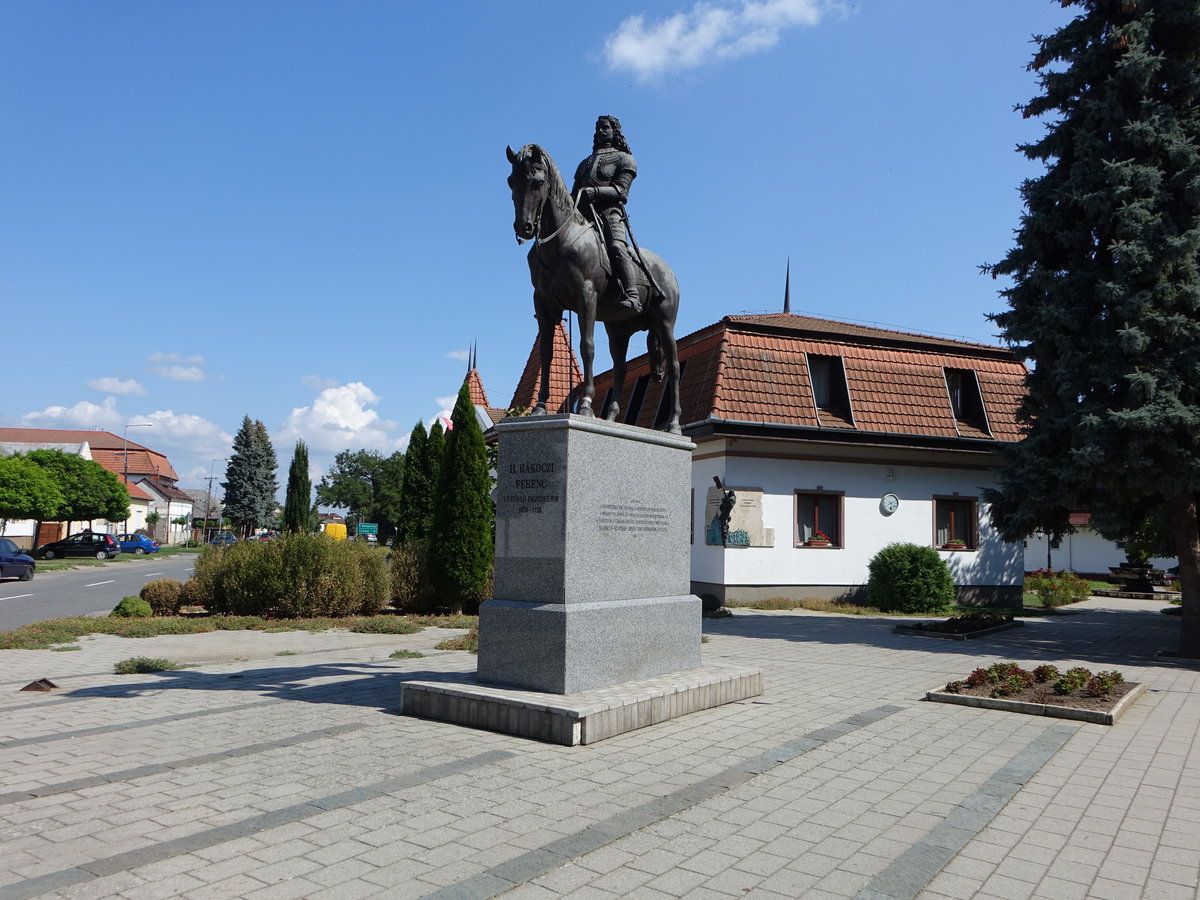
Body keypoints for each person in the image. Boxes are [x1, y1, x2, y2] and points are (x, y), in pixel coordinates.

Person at [572, 115, 642, 314]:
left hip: (610, 214)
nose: (600, 132)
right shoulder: (584, 164)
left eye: (605, 128)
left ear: (615, 131)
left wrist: (594, 192)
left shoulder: (624, 159)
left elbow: (622, 192)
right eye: (598, 128)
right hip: (583, 216)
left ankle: (632, 294)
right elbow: (573, 193)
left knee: (617, 247)